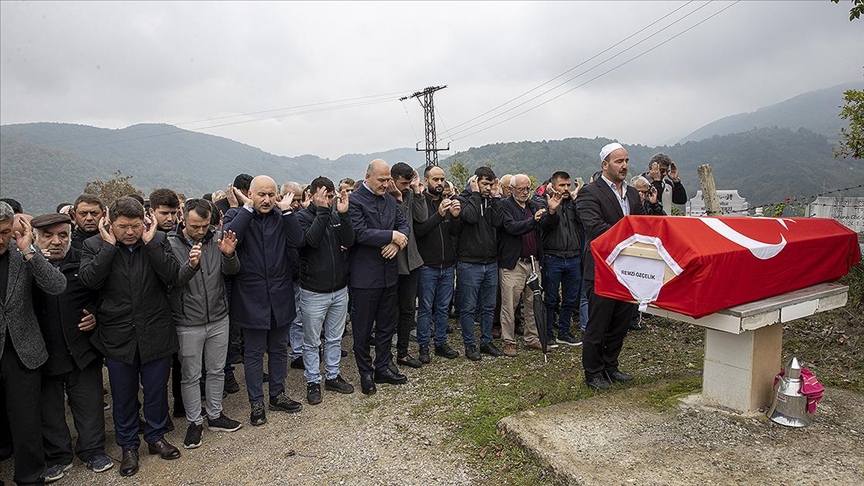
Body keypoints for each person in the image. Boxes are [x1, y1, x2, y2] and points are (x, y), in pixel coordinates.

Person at [79, 196, 182, 477]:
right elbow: (89, 281)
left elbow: (173, 275)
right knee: (123, 395)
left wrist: (150, 244)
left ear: (144, 222)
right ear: (109, 223)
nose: (129, 232)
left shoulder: (158, 241)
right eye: (122, 226)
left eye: (135, 226)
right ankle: (128, 446)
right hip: (117, 335)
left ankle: (156, 437)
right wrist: (109, 249)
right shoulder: (94, 246)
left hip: (156, 332)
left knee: (156, 390)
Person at [31, 213, 113, 481]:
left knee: (89, 405)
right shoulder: (26, 267)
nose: (56, 242)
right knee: (50, 410)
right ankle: (58, 456)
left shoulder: (83, 260)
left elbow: (102, 294)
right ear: (35, 237)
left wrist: (93, 313)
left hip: (82, 349)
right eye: (48, 236)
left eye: (62, 235)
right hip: (44, 353)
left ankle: (92, 451)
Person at [223, 176, 304, 426]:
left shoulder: (282, 217)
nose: (267, 200)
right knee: (255, 353)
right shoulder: (236, 215)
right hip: (251, 296)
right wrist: (246, 209)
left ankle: (277, 394)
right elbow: (230, 238)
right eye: (261, 195)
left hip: (280, 293)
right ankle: (256, 402)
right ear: (250, 194)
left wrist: (288, 211)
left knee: (279, 349)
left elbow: (299, 241)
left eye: (271, 194)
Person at [167, 199, 243, 450]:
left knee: (217, 369)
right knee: (190, 375)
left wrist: (229, 255)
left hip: (219, 316)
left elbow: (231, 272)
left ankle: (215, 415)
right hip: (187, 321)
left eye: (205, 226)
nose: (201, 231)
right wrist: (190, 265)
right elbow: (173, 280)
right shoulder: (169, 244)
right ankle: (194, 421)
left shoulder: (218, 238)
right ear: (183, 219)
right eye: (195, 226)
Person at [0, 202, 67, 485]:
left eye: (4, 232)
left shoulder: (21, 253)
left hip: (23, 350)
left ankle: (29, 477)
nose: (0, 239)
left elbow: (56, 285)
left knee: (27, 418)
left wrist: (29, 251)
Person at [576, 142, 645, 391]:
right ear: (605, 165)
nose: (624, 165)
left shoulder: (633, 194)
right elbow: (595, 229)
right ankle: (592, 371)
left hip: (628, 270)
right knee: (598, 324)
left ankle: (610, 365)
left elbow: (642, 225)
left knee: (620, 321)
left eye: (626, 161)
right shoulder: (589, 193)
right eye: (619, 161)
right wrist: (630, 235)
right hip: (601, 269)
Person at [348, 159, 410, 395]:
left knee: (386, 325)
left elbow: (404, 226)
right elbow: (360, 233)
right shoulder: (355, 201)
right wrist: (391, 235)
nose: (386, 184)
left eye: (388, 180)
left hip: (389, 273)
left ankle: (383, 366)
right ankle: (365, 371)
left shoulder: (390, 201)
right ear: (368, 177)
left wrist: (397, 243)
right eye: (382, 180)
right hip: (365, 277)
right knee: (363, 329)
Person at [296, 177, 356, 405]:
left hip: (339, 288)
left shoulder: (333, 214)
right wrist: (322, 211)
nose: (329, 201)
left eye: (331, 196)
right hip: (313, 292)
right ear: (312, 195)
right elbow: (310, 242)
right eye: (325, 196)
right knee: (312, 341)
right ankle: (312, 380)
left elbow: (349, 241)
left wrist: (344, 215)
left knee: (334, 338)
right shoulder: (302, 217)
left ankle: (332, 375)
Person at [451, 167, 501, 361]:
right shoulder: (463, 200)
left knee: (489, 306)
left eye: (491, 184)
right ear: (475, 182)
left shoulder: (491, 200)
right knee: (469, 308)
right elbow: (470, 217)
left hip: (491, 262)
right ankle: (470, 345)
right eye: (485, 184)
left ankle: (486, 341)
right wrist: (474, 194)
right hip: (469, 263)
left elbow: (498, 222)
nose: (488, 188)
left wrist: (496, 197)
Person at [414, 166, 461, 363]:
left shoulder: (446, 201)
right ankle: (423, 346)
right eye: (436, 179)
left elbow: (454, 232)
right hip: (427, 265)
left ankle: (441, 343)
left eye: (442, 179)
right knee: (425, 308)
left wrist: (456, 217)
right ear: (426, 181)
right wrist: (440, 215)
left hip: (447, 264)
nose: (440, 183)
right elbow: (420, 230)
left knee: (443, 308)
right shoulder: (420, 202)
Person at [496, 174, 547, 357]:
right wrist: (534, 220)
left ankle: (532, 337)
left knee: (533, 302)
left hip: (533, 261)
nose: (525, 192)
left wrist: (552, 212)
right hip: (513, 264)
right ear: (511, 190)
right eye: (521, 189)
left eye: (528, 188)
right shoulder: (505, 206)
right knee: (510, 305)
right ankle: (508, 341)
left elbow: (546, 225)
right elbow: (511, 227)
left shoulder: (534, 205)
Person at [537, 171, 584, 347]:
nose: (565, 189)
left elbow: (582, 223)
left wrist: (574, 200)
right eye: (561, 185)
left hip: (573, 257)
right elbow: (545, 227)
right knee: (550, 299)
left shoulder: (572, 205)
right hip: (553, 257)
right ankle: (548, 333)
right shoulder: (544, 202)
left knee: (570, 299)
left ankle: (564, 332)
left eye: (568, 185)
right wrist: (552, 210)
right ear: (553, 185)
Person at [390, 162, 428, 369]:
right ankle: (385, 355)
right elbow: (399, 222)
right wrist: (398, 198)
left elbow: (421, 218)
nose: (405, 186)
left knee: (407, 310)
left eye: (408, 182)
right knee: (389, 312)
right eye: (403, 183)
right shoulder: (385, 197)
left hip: (412, 260)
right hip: (392, 261)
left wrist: (416, 190)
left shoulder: (411, 193)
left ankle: (403, 353)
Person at [279, 181, 306, 372]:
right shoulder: (277, 217)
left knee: (300, 314)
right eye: (292, 199)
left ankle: (299, 350)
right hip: (284, 274)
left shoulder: (299, 217)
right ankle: (296, 352)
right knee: (294, 315)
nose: (296, 204)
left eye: (299, 199)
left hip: (299, 272)